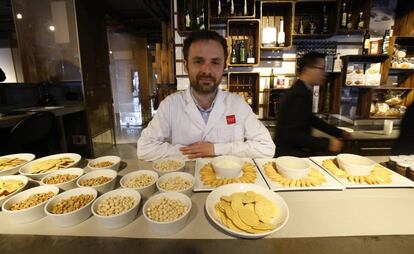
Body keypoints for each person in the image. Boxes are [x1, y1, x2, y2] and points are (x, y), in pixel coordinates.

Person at [137, 31, 275, 161]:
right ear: (186, 66)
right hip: (185, 181)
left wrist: (215, 149)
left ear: (224, 66)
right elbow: (144, 148)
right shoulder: (170, 105)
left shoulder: (238, 104)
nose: (207, 70)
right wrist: (191, 152)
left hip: (229, 182)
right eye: (198, 61)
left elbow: (266, 147)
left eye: (215, 62)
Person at [275, 52, 351, 157]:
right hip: (290, 155)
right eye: (322, 68)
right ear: (307, 69)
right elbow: (291, 134)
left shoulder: (303, 90)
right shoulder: (298, 94)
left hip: (293, 153)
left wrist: (338, 132)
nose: (325, 73)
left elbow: (310, 119)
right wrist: (327, 144)